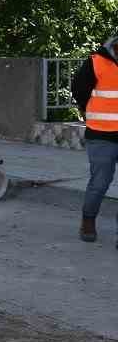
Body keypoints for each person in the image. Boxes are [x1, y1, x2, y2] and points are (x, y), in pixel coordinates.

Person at [73, 32, 118, 244]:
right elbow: (79, 90)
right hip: (101, 134)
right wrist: (87, 110)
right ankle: (88, 220)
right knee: (100, 182)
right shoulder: (96, 62)